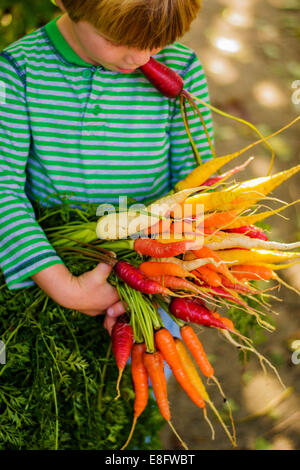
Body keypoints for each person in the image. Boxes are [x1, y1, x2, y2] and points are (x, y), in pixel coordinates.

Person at [0, 0, 213, 335]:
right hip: (49, 263)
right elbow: (4, 191)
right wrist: (65, 287)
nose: (141, 58)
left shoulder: (181, 69)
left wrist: (175, 267)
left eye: (156, 42)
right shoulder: (17, 71)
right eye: (118, 41)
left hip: (153, 267)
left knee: (154, 356)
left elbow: (193, 184)